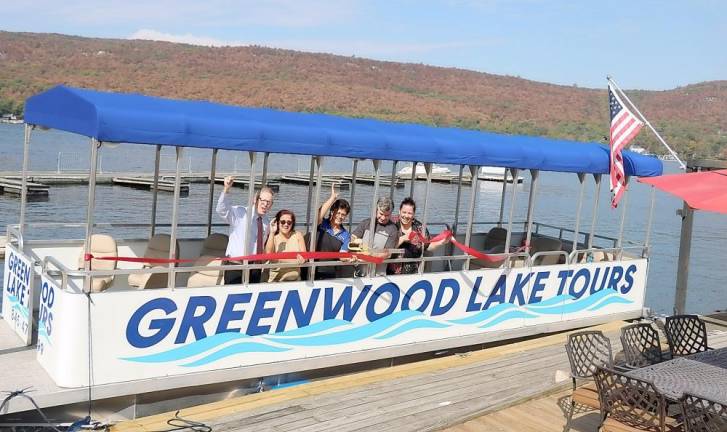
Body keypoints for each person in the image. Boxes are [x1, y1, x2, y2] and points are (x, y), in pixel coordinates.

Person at [216, 176, 274, 284]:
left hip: (255, 268)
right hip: (236, 266)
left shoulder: (266, 222)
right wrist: (226, 189)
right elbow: (221, 210)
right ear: (255, 200)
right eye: (263, 200)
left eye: (269, 202)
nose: (265, 204)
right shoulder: (240, 213)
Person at [389, 197, 450, 275]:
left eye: (409, 213)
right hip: (391, 273)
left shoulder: (419, 228)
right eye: (404, 212)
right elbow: (385, 248)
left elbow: (427, 246)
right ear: (399, 211)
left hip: (412, 274)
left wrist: (442, 242)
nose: (406, 216)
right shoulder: (392, 224)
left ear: (413, 214)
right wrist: (402, 239)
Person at [351, 196, 398, 276]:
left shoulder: (393, 229)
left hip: (378, 276)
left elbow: (387, 253)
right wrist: (358, 246)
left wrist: (368, 254)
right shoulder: (366, 223)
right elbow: (353, 238)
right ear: (376, 210)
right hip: (359, 273)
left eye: (387, 215)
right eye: (381, 214)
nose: (383, 218)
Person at [315, 183, 351, 279]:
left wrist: (350, 258)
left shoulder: (346, 235)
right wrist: (332, 198)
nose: (340, 216)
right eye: (338, 213)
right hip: (312, 268)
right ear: (332, 212)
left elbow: (342, 255)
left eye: (343, 214)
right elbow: (318, 215)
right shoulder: (322, 224)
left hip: (329, 272)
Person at [265, 209, 306, 282]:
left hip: (295, 278)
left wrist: (280, 259)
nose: (286, 224)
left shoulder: (298, 235)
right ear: (277, 223)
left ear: (292, 223)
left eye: (289, 222)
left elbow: (304, 257)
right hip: (277, 280)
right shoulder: (273, 238)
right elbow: (268, 255)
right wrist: (272, 232)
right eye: (282, 222)